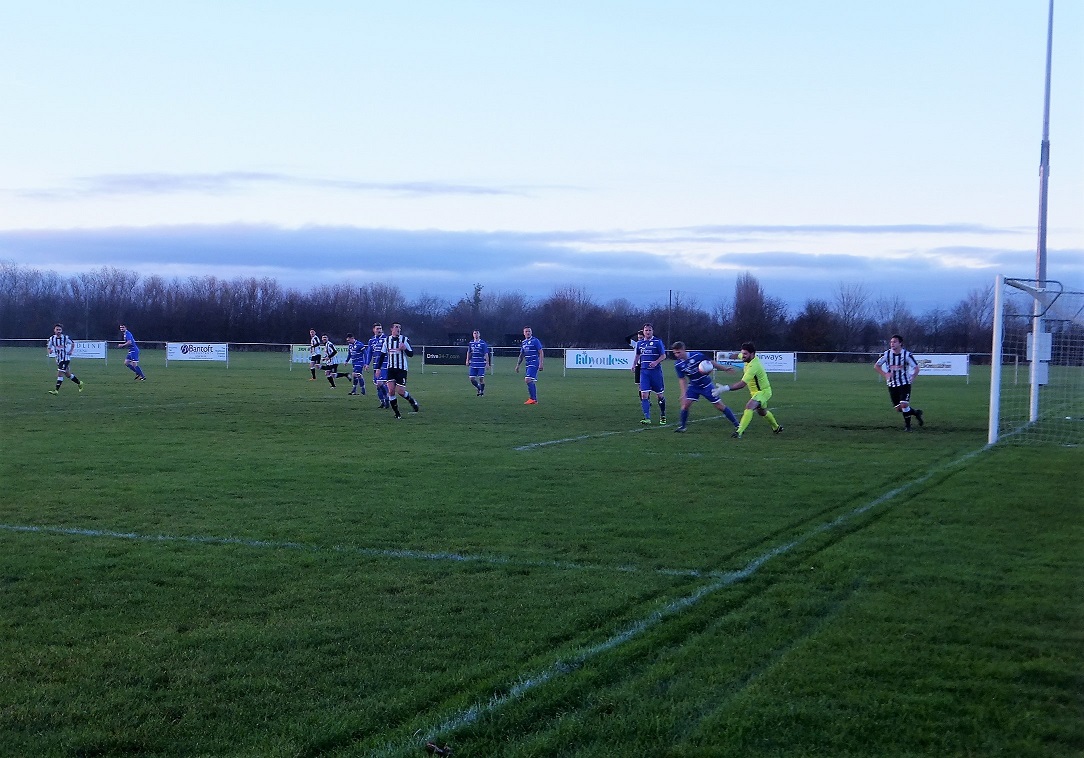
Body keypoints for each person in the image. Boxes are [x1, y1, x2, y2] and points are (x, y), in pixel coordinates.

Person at [717, 342, 783, 438]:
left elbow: (742, 384)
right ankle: (776, 427)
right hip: (756, 393)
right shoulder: (747, 357)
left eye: (745, 354)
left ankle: (739, 432)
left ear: (752, 354)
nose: (743, 356)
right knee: (762, 412)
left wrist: (725, 388)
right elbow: (737, 355)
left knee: (749, 407)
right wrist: (727, 356)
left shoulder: (754, 366)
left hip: (763, 392)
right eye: (742, 353)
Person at [670, 341, 739, 433]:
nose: (676, 355)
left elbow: (711, 362)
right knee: (685, 405)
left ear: (684, 350)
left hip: (706, 385)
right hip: (694, 386)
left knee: (719, 406)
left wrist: (725, 368)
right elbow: (682, 379)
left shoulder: (697, 355)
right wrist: (683, 393)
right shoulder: (678, 364)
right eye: (675, 353)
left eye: (678, 352)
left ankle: (737, 425)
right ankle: (683, 427)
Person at [874, 334, 924, 432]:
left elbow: (917, 368)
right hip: (892, 385)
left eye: (894, 342)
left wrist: (913, 377)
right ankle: (916, 413)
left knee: (904, 405)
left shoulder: (907, 355)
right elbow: (876, 366)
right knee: (899, 408)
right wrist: (885, 374)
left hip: (904, 383)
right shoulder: (887, 354)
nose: (892, 344)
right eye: (891, 342)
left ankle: (908, 427)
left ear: (900, 343)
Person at [380, 322, 420, 419]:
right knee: (391, 390)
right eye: (396, 327)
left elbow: (411, 354)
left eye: (400, 327)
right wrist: (378, 368)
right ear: (391, 329)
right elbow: (382, 355)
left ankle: (411, 400)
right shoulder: (386, 340)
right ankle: (397, 414)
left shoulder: (404, 340)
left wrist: (405, 349)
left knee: (401, 391)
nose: (398, 329)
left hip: (401, 369)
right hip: (390, 368)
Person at [634, 323, 667, 425]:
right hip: (644, 372)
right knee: (644, 395)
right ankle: (647, 418)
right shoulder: (640, 343)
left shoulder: (657, 342)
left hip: (655, 373)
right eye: (646, 330)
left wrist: (656, 362)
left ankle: (662, 415)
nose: (648, 332)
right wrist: (634, 365)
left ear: (652, 331)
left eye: (649, 330)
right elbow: (638, 354)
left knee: (659, 395)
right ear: (643, 332)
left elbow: (663, 355)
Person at [46, 323, 84, 395]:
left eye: (60, 330)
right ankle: (79, 383)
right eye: (57, 329)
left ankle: (56, 390)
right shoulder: (52, 338)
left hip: (65, 358)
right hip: (58, 359)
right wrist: (49, 351)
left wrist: (70, 351)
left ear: (62, 330)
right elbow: (49, 347)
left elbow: (72, 343)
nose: (58, 331)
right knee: (68, 375)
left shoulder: (65, 338)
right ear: (54, 330)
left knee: (60, 373)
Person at [515, 326, 544, 404]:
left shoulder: (535, 341)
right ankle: (533, 399)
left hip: (534, 362)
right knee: (530, 380)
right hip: (528, 363)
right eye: (526, 331)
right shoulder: (524, 342)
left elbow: (541, 352)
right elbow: (522, 354)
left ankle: (533, 399)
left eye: (529, 331)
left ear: (531, 332)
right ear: (524, 333)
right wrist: (518, 365)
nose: (528, 333)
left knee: (527, 379)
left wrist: (541, 364)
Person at [365, 322, 390, 408]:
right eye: (377, 329)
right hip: (376, 366)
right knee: (378, 386)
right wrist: (367, 364)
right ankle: (383, 402)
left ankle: (387, 400)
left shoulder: (386, 339)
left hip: (385, 365)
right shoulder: (371, 340)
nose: (379, 330)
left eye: (380, 328)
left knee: (381, 383)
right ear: (373, 330)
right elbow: (369, 353)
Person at [466, 329, 491, 396]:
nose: (476, 335)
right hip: (473, 363)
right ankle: (479, 387)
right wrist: (467, 360)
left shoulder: (483, 343)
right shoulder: (471, 343)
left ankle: (481, 392)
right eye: (474, 333)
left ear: (479, 335)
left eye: (477, 333)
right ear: (473, 334)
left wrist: (487, 363)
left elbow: (486, 353)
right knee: (471, 378)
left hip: (481, 363)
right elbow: (469, 352)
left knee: (481, 378)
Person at [629, 329, 645, 401]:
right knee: (639, 385)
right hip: (638, 366)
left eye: (641, 337)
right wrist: (636, 332)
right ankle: (643, 400)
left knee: (646, 385)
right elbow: (626, 338)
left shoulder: (648, 344)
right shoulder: (636, 344)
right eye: (639, 338)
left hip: (645, 366)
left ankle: (646, 399)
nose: (640, 339)